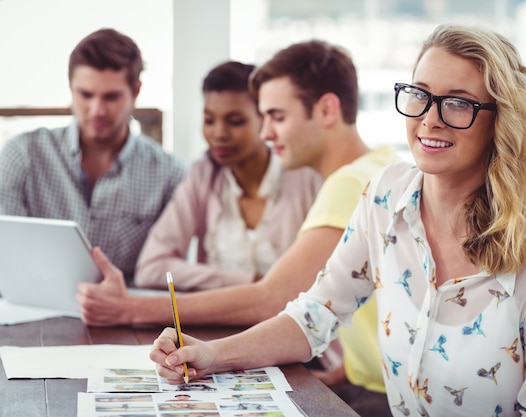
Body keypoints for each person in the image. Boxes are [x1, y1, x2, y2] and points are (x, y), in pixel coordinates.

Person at [150, 24, 526, 417]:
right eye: (419, 95)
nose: (429, 119)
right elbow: (313, 318)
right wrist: (210, 354)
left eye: (457, 102)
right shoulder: (385, 196)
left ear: (499, 121)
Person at [78, 40, 398, 417]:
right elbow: (354, 305)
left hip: (382, 401)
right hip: (366, 386)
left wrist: (131, 310)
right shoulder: (379, 168)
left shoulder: (348, 183)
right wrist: (348, 373)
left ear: (327, 109)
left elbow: (273, 297)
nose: (266, 133)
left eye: (277, 117)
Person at [79, 60, 320, 298]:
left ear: (264, 120)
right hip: (217, 329)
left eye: (235, 121)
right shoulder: (202, 176)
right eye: (209, 120)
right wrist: (251, 283)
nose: (219, 134)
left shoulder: (306, 178)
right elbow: (151, 269)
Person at [0, 28, 186, 282]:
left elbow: (167, 272)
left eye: (111, 97)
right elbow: (7, 258)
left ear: (136, 90)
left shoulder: (169, 173)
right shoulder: (22, 156)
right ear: (70, 88)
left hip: (127, 315)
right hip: (33, 310)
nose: (97, 110)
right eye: (85, 94)